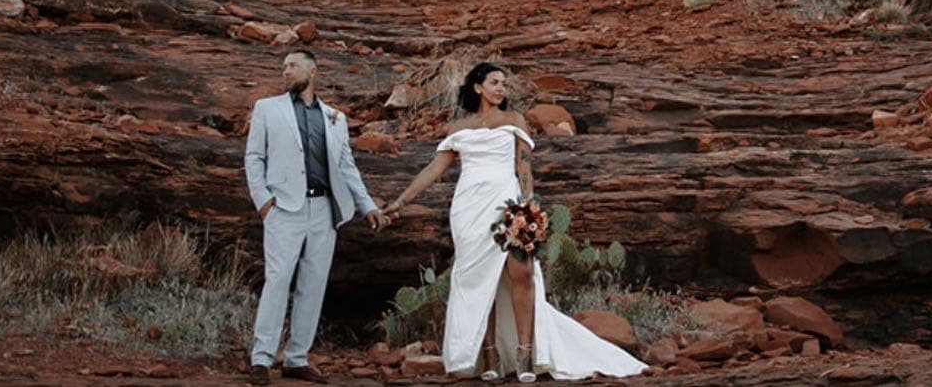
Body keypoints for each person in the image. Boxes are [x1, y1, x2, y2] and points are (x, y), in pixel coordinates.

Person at [384, 62, 647, 381]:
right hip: (469, 209)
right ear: (477, 87)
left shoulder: (513, 120)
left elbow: (524, 168)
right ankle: (490, 355)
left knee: (521, 272)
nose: (500, 88)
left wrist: (528, 206)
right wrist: (400, 202)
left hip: (508, 205)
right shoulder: (458, 128)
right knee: (482, 281)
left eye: (504, 84)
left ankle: (525, 353)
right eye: (494, 82)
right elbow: (432, 170)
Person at [245, 49, 389, 382]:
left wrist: (367, 205)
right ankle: (262, 359)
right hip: (284, 208)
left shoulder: (334, 117)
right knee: (278, 281)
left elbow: (346, 167)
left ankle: (296, 359)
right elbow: (254, 158)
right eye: (283, 66)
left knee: (313, 285)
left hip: (324, 209)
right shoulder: (267, 109)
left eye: (292, 66)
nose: (285, 71)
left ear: (312, 72)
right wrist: (264, 202)